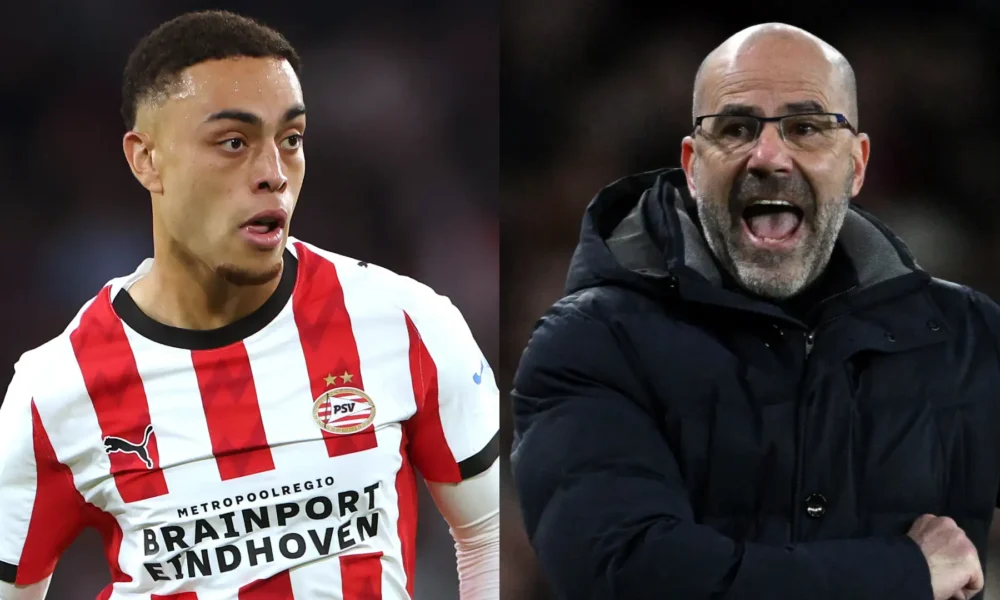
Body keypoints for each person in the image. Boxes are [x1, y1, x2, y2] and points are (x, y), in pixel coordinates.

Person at [0, 10, 499, 600]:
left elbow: (487, 535)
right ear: (146, 160)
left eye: (290, 140)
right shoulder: (55, 388)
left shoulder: (408, 323)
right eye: (233, 142)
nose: (273, 174)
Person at [510, 22, 999, 600]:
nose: (769, 156)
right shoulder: (591, 345)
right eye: (736, 128)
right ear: (692, 166)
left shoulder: (966, 337)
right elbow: (630, 574)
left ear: (857, 163)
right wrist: (904, 574)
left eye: (807, 127)